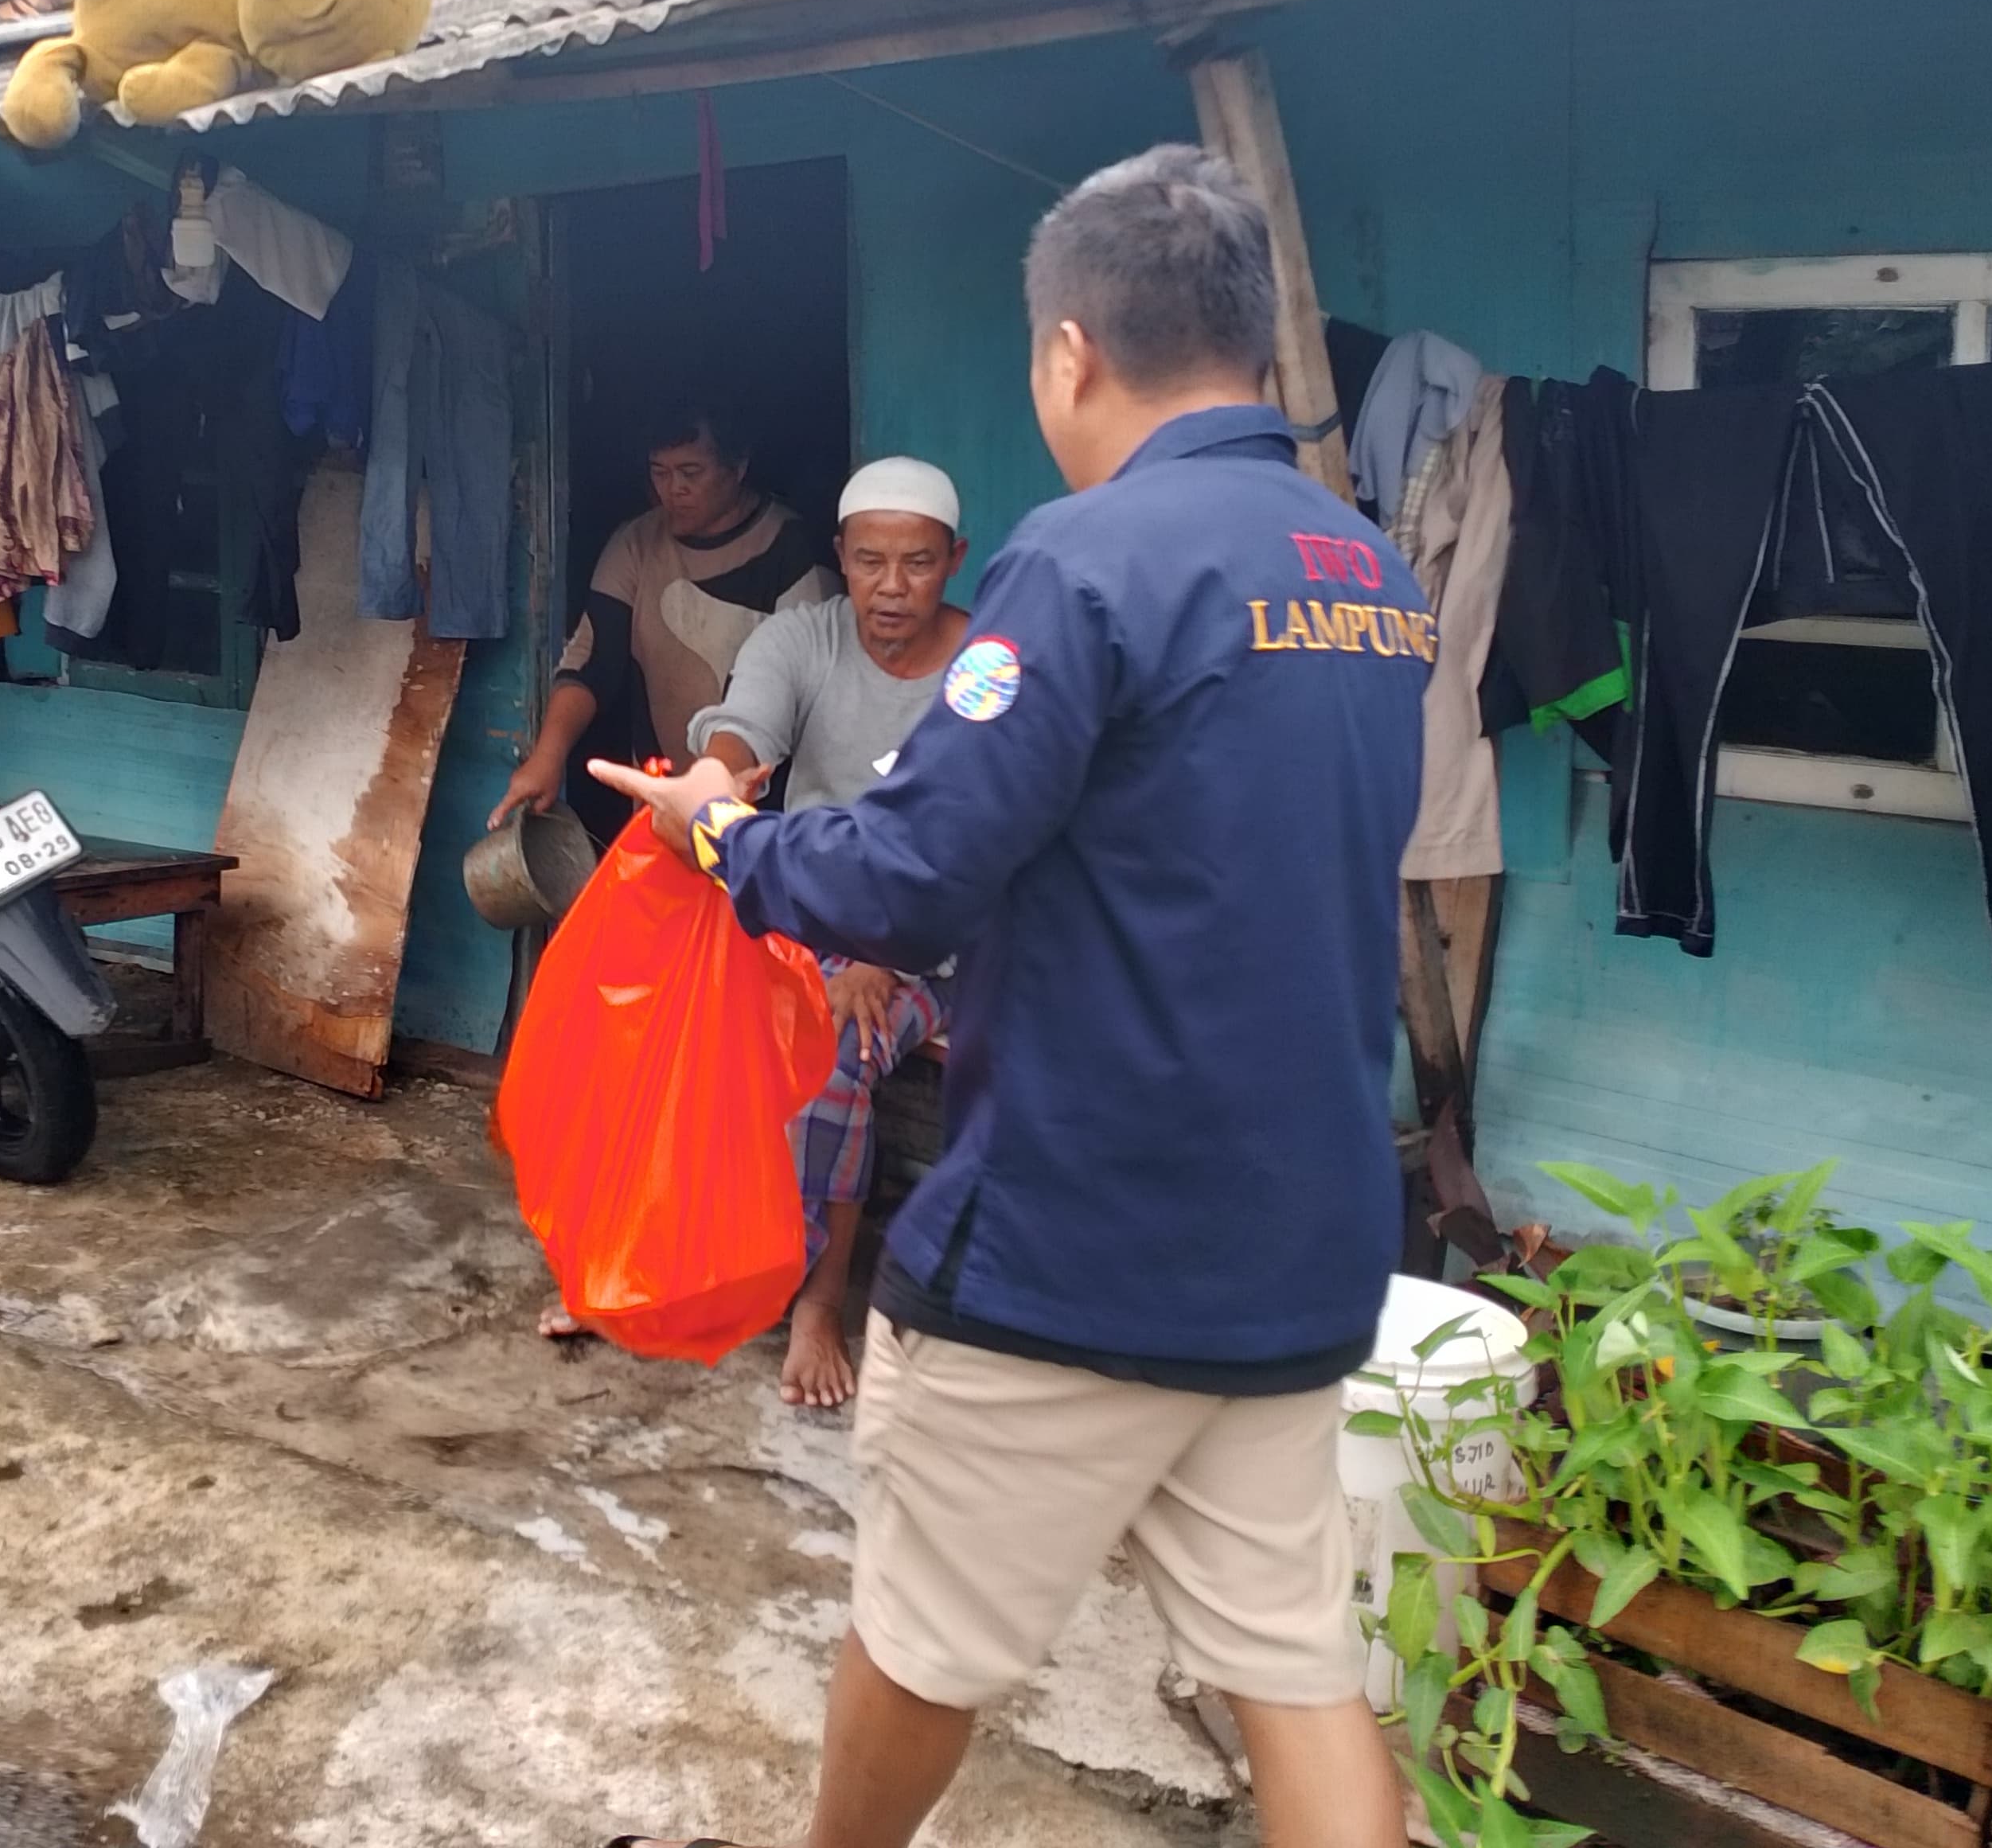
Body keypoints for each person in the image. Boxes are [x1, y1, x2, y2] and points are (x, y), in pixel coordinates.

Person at [598, 143, 1427, 1848]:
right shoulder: (1366, 573)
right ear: (1256, 344)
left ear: (1069, 354)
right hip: (1303, 1237)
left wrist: (723, 839)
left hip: (1080, 1237)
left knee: (919, 1637)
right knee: (1299, 1676)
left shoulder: (1086, 562)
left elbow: (908, 873)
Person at [688, 456, 970, 1411]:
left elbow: (977, 840)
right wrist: (719, 784)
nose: (892, 588)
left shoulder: (988, 673)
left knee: (834, 1046)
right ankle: (652, 1265)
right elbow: (741, 731)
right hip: (813, 924)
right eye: (871, 562)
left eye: (919, 563)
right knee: (670, 1009)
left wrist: (884, 958)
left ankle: (815, 1298)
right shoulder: (800, 639)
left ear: (955, 560)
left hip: (939, 946)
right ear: (841, 559)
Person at [489, 400, 836, 831]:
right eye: (660, 472)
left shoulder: (790, 550)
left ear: (739, 466)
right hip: (664, 807)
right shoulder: (636, 543)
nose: (673, 489)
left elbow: (815, 691)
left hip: (767, 814)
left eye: (691, 473)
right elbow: (593, 659)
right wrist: (548, 755)